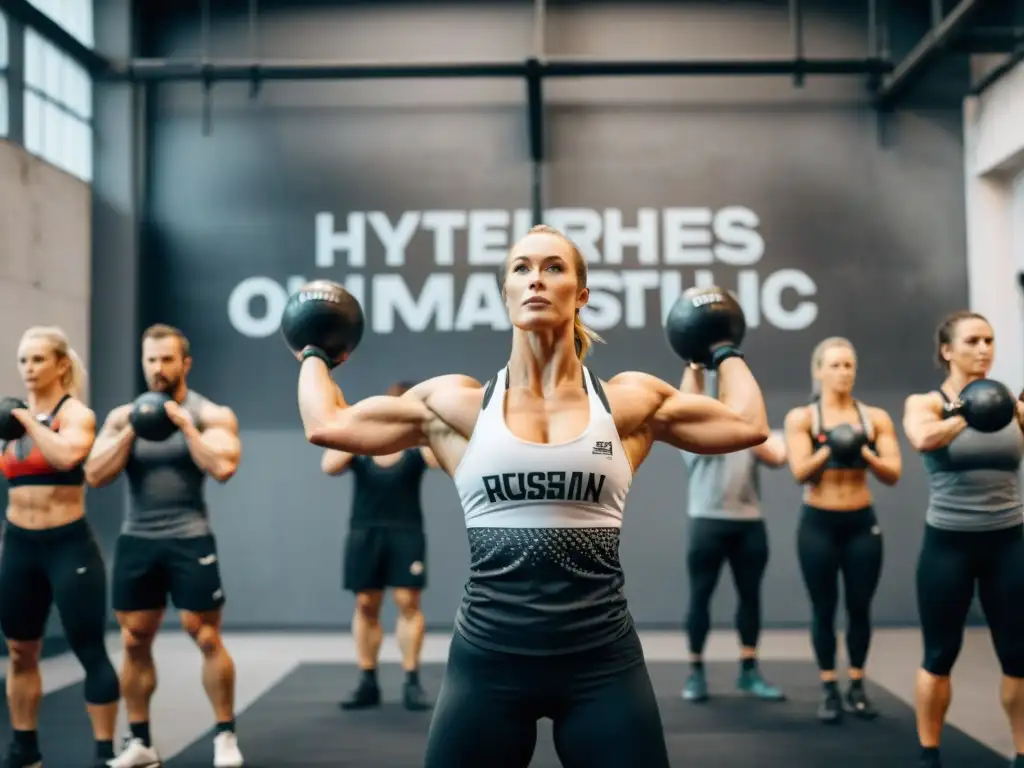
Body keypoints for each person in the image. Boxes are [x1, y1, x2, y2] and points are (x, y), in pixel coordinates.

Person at [294, 224, 770, 768]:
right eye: (521, 268)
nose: (536, 280)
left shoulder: (627, 404)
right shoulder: (459, 407)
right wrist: (315, 350)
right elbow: (327, 425)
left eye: (553, 267)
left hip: (603, 666)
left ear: (581, 294)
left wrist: (724, 349)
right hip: (487, 665)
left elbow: (747, 426)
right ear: (506, 294)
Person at [83, 324, 244, 768]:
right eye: (150, 359)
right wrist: (132, 430)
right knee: (134, 640)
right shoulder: (122, 417)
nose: (157, 368)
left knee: (205, 634)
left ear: (185, 363)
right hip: (139, 539)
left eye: (166, 359)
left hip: (190, 537)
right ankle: (140, 743)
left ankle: (225, 736)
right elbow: (95, 475)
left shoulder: (211, 413)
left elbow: (224, 466)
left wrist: (185, 427)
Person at [902, 311, 1024, 768]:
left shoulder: (1010, 402)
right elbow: (921, 437)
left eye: (990, 340)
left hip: (1008, 543)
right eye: (972, 340)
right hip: (948, 546)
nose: (984, 349)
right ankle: (929, 752)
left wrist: (1011, 409)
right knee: (940, 653)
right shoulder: (926, 402)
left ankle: (1022, 752)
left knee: (1018, 654)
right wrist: (968, 410)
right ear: (947, 351)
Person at [0, 327, 121, 768]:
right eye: (23, 361)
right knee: (19, 650)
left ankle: (105, 752)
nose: (29, 370)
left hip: (67, 545)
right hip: (19, 546)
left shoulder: (76, 415)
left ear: (60, 365)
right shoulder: (7, 423)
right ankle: (24, 748)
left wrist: (28, 420)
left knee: (89, 650)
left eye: (37, 360)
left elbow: (67, 457)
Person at [783, 336, 902, 724]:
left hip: (860, 521)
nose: (842, 372)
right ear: (819, 371)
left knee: (859, 607)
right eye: (834, 365)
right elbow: (800, 472)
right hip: (818, 523)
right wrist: (832, 446)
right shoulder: (803, 418)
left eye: (848, 365)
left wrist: (861, 448)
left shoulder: (875, 419)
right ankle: (829, 688)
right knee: (823, 608)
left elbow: (893, 473)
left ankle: (857, 685)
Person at [320, 381, 440, 712]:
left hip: (406, 532)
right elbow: (329, 465)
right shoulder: (363, 444)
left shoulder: (418, 447)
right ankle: (367, 680)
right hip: (365, 533)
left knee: (407, 602)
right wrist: (359, 428)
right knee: (366, 604)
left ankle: (412, 680)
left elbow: (440, 460)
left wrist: (422, 424)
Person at [677, 363, 788, 704]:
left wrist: (745, 425)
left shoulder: (756, 429)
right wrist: (693, 367)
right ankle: (695, 672)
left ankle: (749, 670)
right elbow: (684, 403)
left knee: (750, 597)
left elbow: (778, 456)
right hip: (707, 521)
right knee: (700, 597)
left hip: (748, 523)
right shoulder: (695, 428)